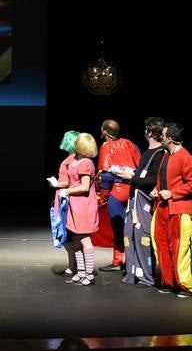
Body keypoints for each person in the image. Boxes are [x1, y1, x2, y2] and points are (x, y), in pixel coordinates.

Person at [151, 122, 192, 297]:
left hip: (179, 210)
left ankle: (186, 285)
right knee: (162, 245)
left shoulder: (186, 157)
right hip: (163, 208)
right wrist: (157, 190)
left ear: (170, 139)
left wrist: (172, 193)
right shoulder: (166, 155)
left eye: (163, 136)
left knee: (180, 248)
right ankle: (168, 280)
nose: (161, 138)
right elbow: (165, 179)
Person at [123, 117, 168, 288]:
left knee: (143, 239)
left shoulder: (160, 153)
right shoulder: (147, 152)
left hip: (145, 203)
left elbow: (152, 179)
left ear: (150, 131)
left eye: (146, 129)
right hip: (134, 200)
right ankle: (132, 272)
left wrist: (131, 178)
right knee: (130, 237)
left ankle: (146, 276)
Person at [50, 132, 100, 286]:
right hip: (74, 205)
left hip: (83, 205)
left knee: (85, 239)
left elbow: (84, 187)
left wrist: (67, 191)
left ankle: (89, 274)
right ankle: (81, 272)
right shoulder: (76, 161)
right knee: (77, 240)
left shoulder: (86, 163)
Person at [95, 119, 141, 273]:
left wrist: (103, 196)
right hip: (133, 192)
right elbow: (139, 168)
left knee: (118, 230)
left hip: (116, 193)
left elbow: (107, 177)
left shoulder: (105, 147)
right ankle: (134, 261)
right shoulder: (130, 144)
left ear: (105, 132)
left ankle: (118, 261)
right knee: (134, 228)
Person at [50, 130, 81, 277]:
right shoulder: (71, 158)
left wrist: (56, 184)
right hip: (62, 195)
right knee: (65, 234)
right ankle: (73, 265)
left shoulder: (72, 160)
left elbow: (70, 181)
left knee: (67, 233)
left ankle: (73, 266)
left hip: (64, 196)